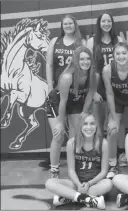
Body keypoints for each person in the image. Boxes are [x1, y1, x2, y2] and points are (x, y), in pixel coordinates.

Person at [40, 14, 86, 170]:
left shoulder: (81, 42)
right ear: (62, 26)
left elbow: (86, 66)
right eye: (65, 24)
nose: (68, 26)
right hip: (57, 92)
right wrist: (49, 85)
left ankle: (74, 166)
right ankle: (54, 168)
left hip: (74, 92)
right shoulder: (55, 41)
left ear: (75, 25)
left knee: (74, 135)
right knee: (58, 134)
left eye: (70, 23)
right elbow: (50, 65)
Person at [46, 46, 96, 178]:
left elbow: (90, 95)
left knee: (76, 137)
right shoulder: (68, 77)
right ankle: (54, 170)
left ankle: (74, 169)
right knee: (59, 135)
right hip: (57, 102)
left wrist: (84, 113)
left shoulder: (93, 75)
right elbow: (62, 102)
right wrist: (61, 123)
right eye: (82, 59)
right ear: (76, 61)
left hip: (75, 103)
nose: (85, 62)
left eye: (88, 59)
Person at [45, 113, 112, 209]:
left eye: (92, 123)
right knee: (49, 183)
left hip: (94, 184)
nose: (89, 127)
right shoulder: (71, 143)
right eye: (85, 124)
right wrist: (78, 184)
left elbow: (104, 171)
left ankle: (70, 197)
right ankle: (88, 199)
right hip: (77, 184)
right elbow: (71, 170)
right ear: (80, 126)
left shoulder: (103, 143)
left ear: (96, 125)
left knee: (108, 184)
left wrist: (89, 184)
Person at [102, 42, 128, 178]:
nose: (121, 56)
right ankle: (112, 165)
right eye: (118, 54)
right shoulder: (107, 70)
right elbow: (109, 94)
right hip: (117, 100)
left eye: (124, 53)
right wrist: (112, 118)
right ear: (113, 56)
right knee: (112, 130)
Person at [86, 12, 123, 138]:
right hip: (99, 84)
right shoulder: (92, 41)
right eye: (103, 21)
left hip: (116, 83)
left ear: (112, 23)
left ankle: (116, 151)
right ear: (99, 23)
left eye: (109, 21)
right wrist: (93, 91)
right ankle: (99, 152)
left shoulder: (119, 40)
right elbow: (89, 67)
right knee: (98, 122)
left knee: (114, 121)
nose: (106, 24)